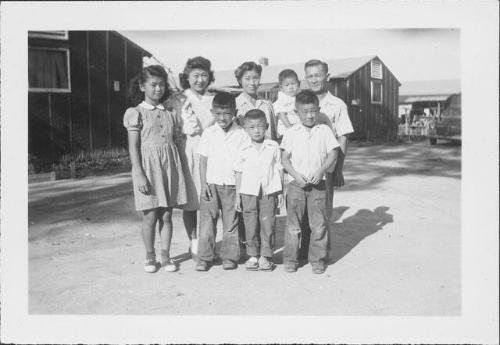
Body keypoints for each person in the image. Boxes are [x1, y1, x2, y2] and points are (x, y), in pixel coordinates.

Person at [123, 65, 187, 273]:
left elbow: (176, 143)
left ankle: (166, 257)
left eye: (161, 85)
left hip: (168, 169)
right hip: (148, 171)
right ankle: (150, 256)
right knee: (150, 215)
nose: (158, 89)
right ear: (142, 86)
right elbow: (133, 147)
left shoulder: (169, 113)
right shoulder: (136, 113)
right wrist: (139, 174)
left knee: (167, 215)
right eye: (153, 85)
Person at [280, 90, 340, 274]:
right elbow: (284, 159)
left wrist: (321, 170)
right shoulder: (291, 132)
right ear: (296, 112)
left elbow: (333, 153)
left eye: (313, 111)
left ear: (318, 109)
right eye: (304, 111)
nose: (309, 115)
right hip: (296, 185)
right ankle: (291, 259)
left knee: (319, 224)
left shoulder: (324, 131)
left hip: (318, 185)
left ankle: (318, 260)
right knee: (293, 225)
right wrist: (296, 175)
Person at [195, 92, 250, 271]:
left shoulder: (242, 134)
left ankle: (229, 256)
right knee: (206, 222)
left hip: (232, 185)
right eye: (218, 113)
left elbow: (244, 163)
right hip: (211, 184)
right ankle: (205, 257)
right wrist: (203, 185)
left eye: (227, 113)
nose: (222, 118)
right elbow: (202, 160)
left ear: (234, 112)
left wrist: (241, 190)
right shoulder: (209, 133)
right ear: (212, 112)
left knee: (231, 222)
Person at [168, 56, 216, 259]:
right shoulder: (178, 100)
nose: (200, 80)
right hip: (188, 151)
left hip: (212, 153)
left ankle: (208, 241)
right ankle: (194, 241)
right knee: (191, 200)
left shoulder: (213, 99)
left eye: (204, 75)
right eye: (195, 76)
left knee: (209, 199)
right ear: (187, 77)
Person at [234, 109, 284, 271]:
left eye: (260, 126)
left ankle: (266, 255)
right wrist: (237, 196)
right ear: (245, 128)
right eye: (252, 127)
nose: (256, 131)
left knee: (267, 222)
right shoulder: (243, 148)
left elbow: (279, 169)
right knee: (250, 223)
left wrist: (281, 191)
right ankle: (253, 254)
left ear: (267, 126)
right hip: (248, 191)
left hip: (269, 191)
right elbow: (239, 172)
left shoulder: (273, 146)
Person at [304, 59, 354, 217]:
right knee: (303, 214)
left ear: (327, 77)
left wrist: (338, 169)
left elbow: (343, 138)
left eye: (317, 75)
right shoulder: (299, 102)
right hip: (302, 167)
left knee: (323, 213)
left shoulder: (337, 104)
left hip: (326, 168)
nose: (314, 80)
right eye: (310, 76)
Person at [234, 61, 277, 141]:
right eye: (247, 79)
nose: (252, 83)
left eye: (256, 78)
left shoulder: (267, 104)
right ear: (240, 80)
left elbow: (273, 133)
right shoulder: (235, 105)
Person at [273, 69, 301, 139]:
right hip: (286, 129)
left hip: (299, 127)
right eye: (287, 85)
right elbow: (282, 115)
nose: (291, 87)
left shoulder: (300, 97)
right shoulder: (281, 100)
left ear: (299, 84)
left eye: (293, 84)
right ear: (281, 88)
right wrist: (290, 128)